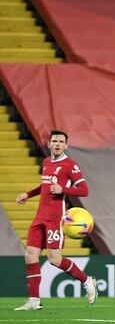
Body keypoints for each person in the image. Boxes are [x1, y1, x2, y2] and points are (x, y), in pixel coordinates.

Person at [14, 130, 96, 311]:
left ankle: (86, 280)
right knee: (30, 255)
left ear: (66, 145)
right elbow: (44, 186)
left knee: (54, 259)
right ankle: (34, 301)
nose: (57, 144)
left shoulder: (70, 165)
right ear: (49, 144)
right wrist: (28, 194)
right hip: (40, 216)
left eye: (61, 141)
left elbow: (84, 190)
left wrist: (63, 188)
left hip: (55, 218)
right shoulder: (46, 162)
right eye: (54, 141)